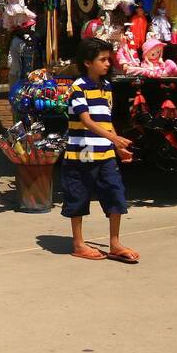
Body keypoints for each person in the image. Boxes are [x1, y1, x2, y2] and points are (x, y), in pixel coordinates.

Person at [63, 37, 138, 263]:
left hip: (105, 153)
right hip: (82, 152)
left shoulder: (106, 87)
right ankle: (78, 244)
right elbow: (87, 121)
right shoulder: (78, 88)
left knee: (115, 193)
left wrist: (116, 146)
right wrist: (115, 138)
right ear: (87, 62)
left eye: (109, 59)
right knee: (79, 195)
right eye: (102, 59)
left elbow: (105, 120)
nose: (107, 64)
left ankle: (115, 244)